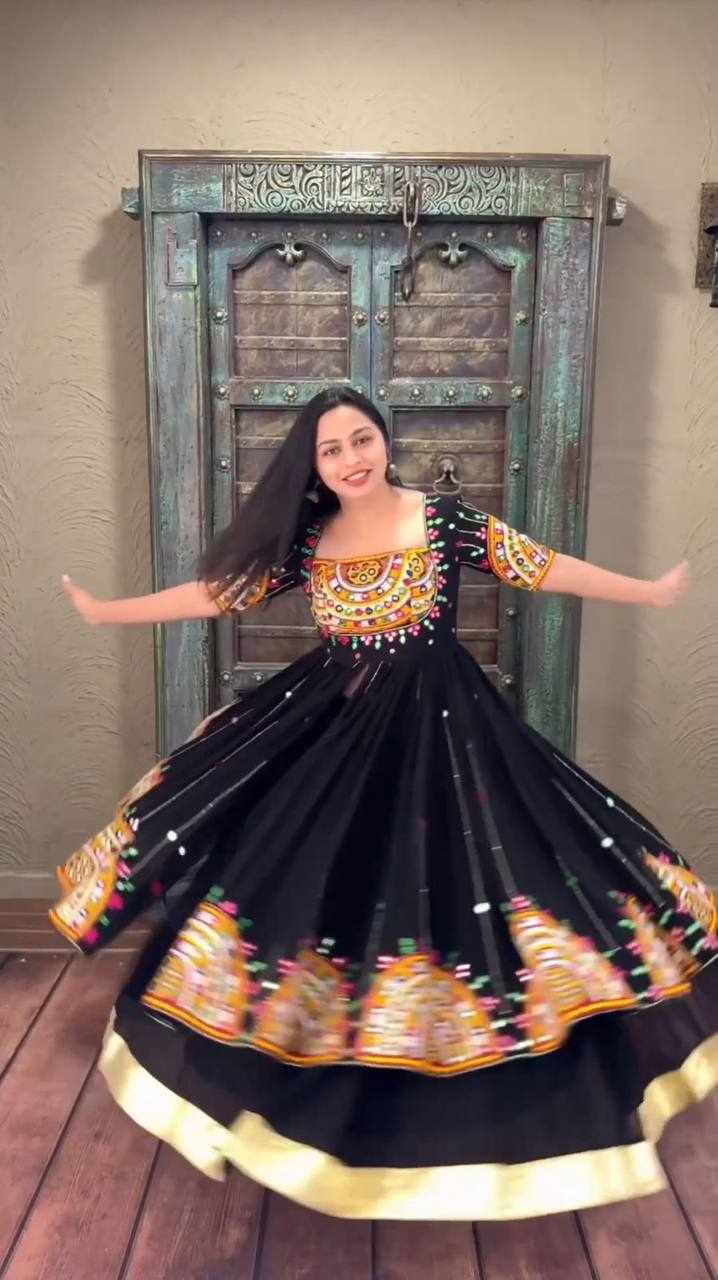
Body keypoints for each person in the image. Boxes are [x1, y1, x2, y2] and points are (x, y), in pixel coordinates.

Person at [52, 386, 716, 1221]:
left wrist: (644, 592)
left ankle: (485, 1100)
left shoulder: (443, 521)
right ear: (315, 466)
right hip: (337, 731)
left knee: (481, 885)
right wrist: (108, 612)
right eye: (331, 450)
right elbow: (217, 594)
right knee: (321, 888)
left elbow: (540, 565)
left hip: (448, 733)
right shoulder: (308, 541)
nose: (351, 460)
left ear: (385, 441)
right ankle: (315, 1086)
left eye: (361, 440)